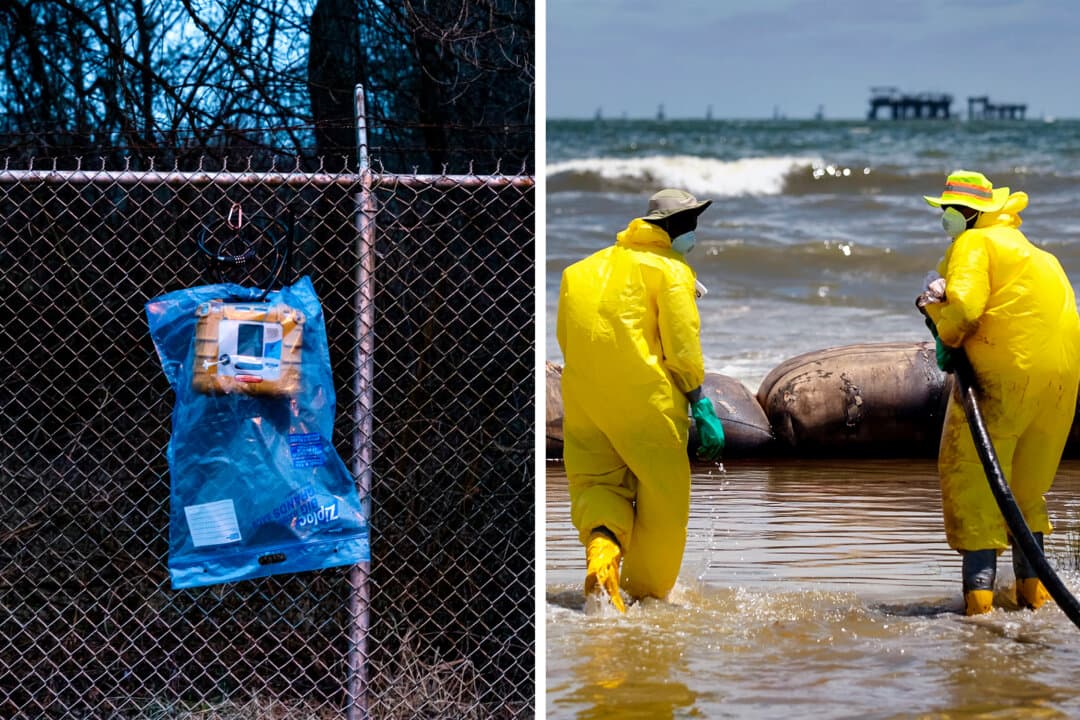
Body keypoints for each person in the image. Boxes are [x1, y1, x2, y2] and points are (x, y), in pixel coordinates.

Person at [556, 188, 726, 613]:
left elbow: (568, 337)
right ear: (670, 228)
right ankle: (640, 598)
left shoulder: (580, 271)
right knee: (665, 504)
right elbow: (682, 348)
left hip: (584, 406)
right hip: (647, 407)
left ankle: (603, 557)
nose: (694, 233)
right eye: (689, 224)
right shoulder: (671, 270)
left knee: (599, 487)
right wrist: (699, 401)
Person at [918, 170, 1080, 615]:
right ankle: (1036, 601)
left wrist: (942, 325)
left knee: (973, 478)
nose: (944, 220)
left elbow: (966, 307)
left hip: (1005, 379)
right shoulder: (1040, 256)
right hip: (1061, 382)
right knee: (1026, 492)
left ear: (967, 214)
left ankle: (979, 612)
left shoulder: (974, 243)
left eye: (948, 212)